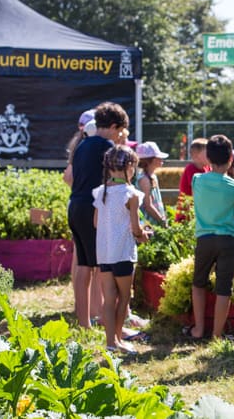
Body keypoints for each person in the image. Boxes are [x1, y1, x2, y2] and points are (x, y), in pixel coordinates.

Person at [68, 102, 128, 329]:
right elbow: (115, 180)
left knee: (84, 266)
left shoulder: (82, 144)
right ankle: (107, 319)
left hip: (75, 206)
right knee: (104, 267)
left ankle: (84, 323)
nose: (121, 135)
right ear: (113, 126)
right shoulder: (108, 147)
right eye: (120, 130)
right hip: (93, 208)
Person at [94, 145, 151, 354]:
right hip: (124, 254)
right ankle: (119, 339)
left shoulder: (100, 193)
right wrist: (143, 235)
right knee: (124, 297)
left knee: (109, 299)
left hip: (104, 254)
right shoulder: (131, 194)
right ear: (129, 166)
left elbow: (95, 223)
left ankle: (110, 342)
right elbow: (136, 229)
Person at [185, 134, 234, 340]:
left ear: (208, 158)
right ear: (230, 160)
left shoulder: (197, 179)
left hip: (204, 238)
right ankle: (217, 335)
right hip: (228, 239)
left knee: (199, 282)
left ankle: (199, 329)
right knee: (224, 287)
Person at [63, 110, 102, 324]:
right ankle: (92, 311)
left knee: (81, 261)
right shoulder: (87, 148)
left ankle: (84, 311)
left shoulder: (78, 147)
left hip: (77, 204)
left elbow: (68, 178)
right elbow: (68, 177)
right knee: (90, 264)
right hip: (87, 206)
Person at [176, 138, 210, 221]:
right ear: (196, 155)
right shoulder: (191, 169)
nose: (211, 155)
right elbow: (199, 189)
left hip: (200, 212)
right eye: (207, 153)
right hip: (186, 214)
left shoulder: (208, 168)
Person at [136, 141, 168, 226]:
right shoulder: (144, 180)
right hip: (148, 224)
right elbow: (148, 205)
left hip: (155, 221)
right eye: (159, 157)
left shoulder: (152, 176)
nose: (161, 159)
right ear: (152, 160)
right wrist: (161, 221)